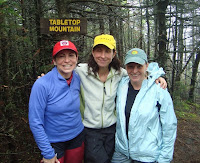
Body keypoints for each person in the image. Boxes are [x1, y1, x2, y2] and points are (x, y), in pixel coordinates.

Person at [38, 34, 167, 163]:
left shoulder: (120, 73)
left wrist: (156, 76)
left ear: (114, 53)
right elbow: (63, 67)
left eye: (107, 51)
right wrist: (46, 80)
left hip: (112, 129)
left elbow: (141, 69)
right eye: (99, 50)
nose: (103, 56)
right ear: (93, 52)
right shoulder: (81, 71)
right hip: (90, 130)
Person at [111, 48, 177, 163]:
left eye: (139, 66)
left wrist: (164, 158)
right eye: (130, 66)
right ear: (126, 67)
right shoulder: (121, 85)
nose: (134, 71)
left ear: (146, 65)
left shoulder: (159, 90)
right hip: (121, 153)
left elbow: (169, 126)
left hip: (147, 155)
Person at [29, 40, 85, 163]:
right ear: (54, 61)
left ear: (76, 58)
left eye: (71, 55)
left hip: (77, 136)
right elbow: (35, 121)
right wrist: (47, 152)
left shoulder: (77, 77)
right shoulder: (42, 85)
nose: (67, 60)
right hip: (54, 142)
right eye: (61, 56)